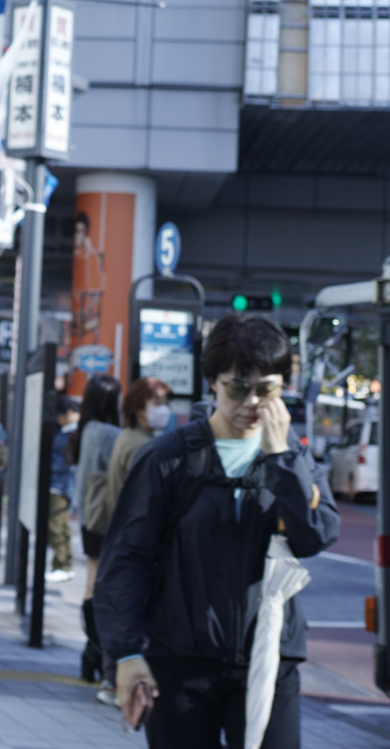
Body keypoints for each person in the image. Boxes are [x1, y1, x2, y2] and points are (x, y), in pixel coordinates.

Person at [96, 315, 339, 748]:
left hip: (268, 659)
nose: (252, 403)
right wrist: (126, 654)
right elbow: (126, 558)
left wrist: (281, 458)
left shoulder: (293, 457)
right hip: (180, 663)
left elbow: (314, 536)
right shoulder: (167, 458)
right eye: (238, 387)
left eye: (266, 389)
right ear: (212, 382)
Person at [69, 373, 122, 699]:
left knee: (91, 584)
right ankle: (99, 650)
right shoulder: (110, 433)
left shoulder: (85, 429)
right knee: (105, 588)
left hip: (89, 518)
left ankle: (90, 653)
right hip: (107, 519)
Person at [106, 377, 172, 512]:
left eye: (166, 404)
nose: (164, 410)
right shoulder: (141, 444)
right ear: (138, 408)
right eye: (158, 403)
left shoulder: (130, 435)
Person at [46, 395, 81, 583]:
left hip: (60, 485)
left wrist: (47, 464)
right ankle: (64, 564)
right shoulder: (70, 432)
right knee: (61, 525)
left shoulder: (71, 434)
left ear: (67, 414)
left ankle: (62, 565)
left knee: (55, 525)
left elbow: (63, 463)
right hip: (63, 485)